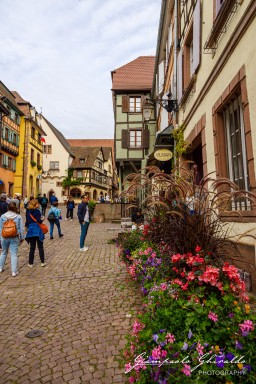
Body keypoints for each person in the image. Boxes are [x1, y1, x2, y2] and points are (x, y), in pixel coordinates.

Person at [0, 202, 24, 276]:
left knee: (4, 252)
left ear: (8, 208)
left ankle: (0, 268)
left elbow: (0, 228)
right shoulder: (18, 216)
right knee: (13, 254)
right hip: (14, 236)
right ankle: (14, 271)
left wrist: (0, 238)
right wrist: (22, 238)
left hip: (4, 236)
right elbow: (21, 229)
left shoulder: (3, 216)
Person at [25, 199, 46, 267]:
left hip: (31, 230)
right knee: (40, 247)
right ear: (34, 204)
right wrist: (42, 219)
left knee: (32, 248)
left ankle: (30, 263)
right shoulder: (37, 211)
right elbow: (39, 221)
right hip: (38, 230)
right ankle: (42, 262)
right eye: (37, 203)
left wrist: (27, 228)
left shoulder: (28, 212)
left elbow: (27, 221)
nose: (38, 204)